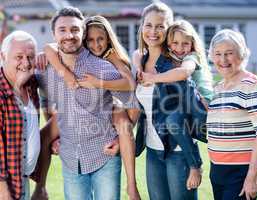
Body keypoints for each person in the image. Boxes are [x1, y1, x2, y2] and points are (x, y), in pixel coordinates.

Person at [32, 14, 140, 200]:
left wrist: (121, 136)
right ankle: (40, 187)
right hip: (71, 160)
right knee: (43, 135)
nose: (69, 35)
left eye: (74, 29)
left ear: (81, 33)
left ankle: (132, 188)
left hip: (104, 156)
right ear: (53, 34)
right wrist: (53, 134)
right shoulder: (45, 69)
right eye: (62, 30)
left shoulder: (103, 67)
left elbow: (132, 99)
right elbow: (44, 98)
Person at [133, 2, 204, 199]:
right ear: (142, 27)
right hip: (152, 150)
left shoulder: (177, 62)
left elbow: (188, 75)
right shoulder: (140, 60)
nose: (153, 31)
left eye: (160, 26)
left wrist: (194, 165)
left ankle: (195, 164)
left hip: (179, 150)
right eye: (148, 25)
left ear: (170, 29)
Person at [207, 29, 257, 200]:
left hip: (242, 170)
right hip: (218, 170)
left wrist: (251, 178)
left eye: (229, 53)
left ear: (242, 55)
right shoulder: (218, 88)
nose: (223, 60)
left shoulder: (252, 85)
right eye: (218, 54)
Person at [0, 31, 41, 200]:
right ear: (3, 56)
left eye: (31, 57)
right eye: (19, 57)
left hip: (22, 180)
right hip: (5, 187)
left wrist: (49, 52)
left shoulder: (30, 85)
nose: (26, 62)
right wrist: (3, 192)